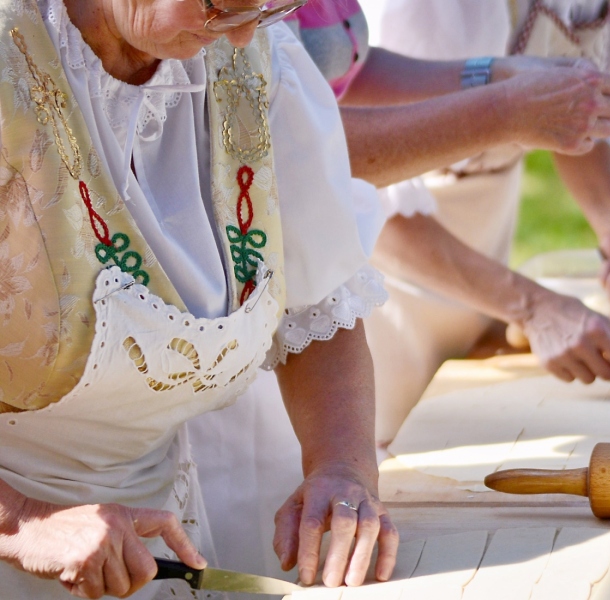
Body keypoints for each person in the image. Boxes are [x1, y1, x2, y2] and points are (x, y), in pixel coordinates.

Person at [0, 0, 398, 597]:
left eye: (272, 6)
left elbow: (319, 304)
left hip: (154, 546)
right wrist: (24, 522)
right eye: (222, 5)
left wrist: (341, 467)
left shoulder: (261, 62)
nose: (241, 37)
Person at [284, 0, 610, 444]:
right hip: (384, 272)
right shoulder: (419, 10)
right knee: (388, 447)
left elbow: (583, 112)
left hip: (488, 230)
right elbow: (349, 188)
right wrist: (532, 307)